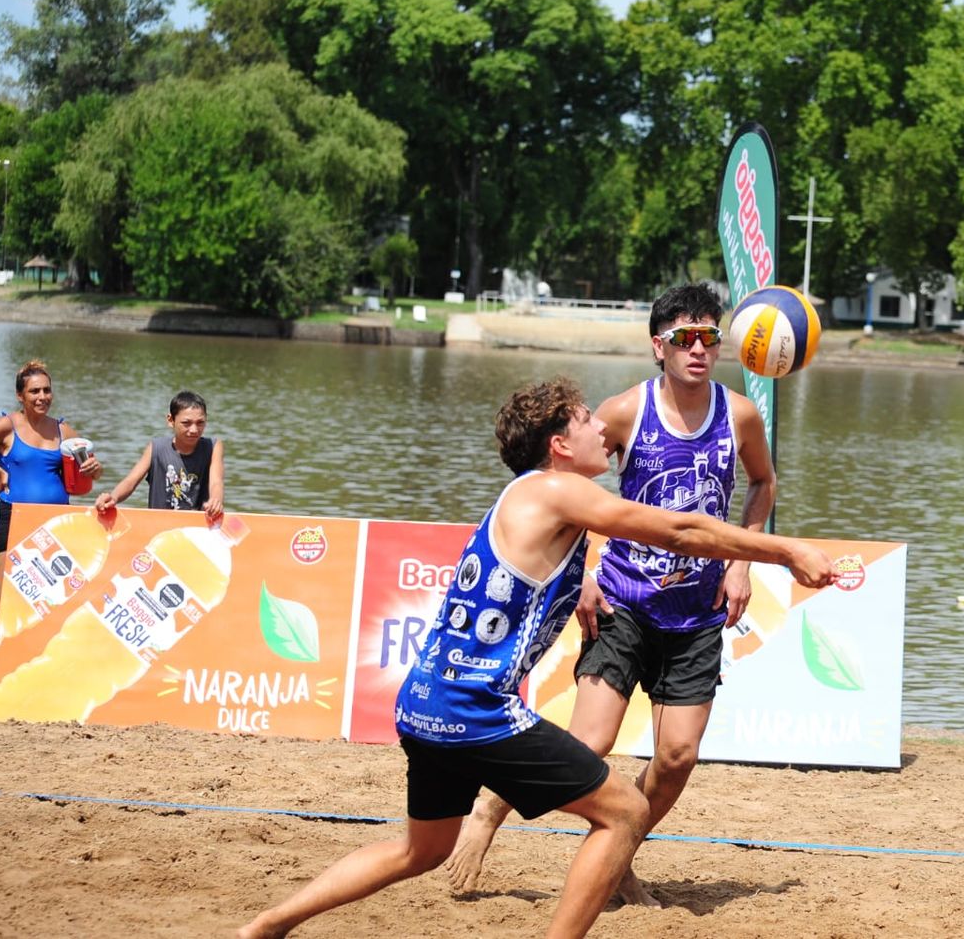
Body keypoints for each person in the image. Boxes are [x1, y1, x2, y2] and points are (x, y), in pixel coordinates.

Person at [237, 378, 833, 939]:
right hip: (476, 707)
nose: (600, 429)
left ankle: (266, 925)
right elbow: (679, 531)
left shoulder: (526, 496)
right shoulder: (557, 489)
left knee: (419, 851)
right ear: (558, 445)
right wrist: (783, 549)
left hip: (425, 699)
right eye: (583, 421)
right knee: (624, 811)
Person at [448, 283, 774, 907]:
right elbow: (566, 479)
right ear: (660, 346)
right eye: (686, 337)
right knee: (589, 743)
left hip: (697, 613)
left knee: (677, 757)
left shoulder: (740, 415)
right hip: (623, 601)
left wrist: (740, 560)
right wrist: (588, 572)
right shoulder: (626, 411)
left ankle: (619, 854)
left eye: (711, 335)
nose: (700, 347)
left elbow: (763, 483)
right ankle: (491, 809)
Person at [0, 359, 104, 686]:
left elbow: (84, 479)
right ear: (21, 395)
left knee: (53, 602)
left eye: (47, 390)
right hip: (14, 520)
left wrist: (94, 470)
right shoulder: (7, 426)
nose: (42, 396)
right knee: (3, 601)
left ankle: (38, 672)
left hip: (56, 526)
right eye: (35, 391)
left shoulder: (64, 431)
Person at [94, 390, 224, 519]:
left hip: (198, 527)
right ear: (170, 420)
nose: (194, 430)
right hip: (160, 525)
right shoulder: (156, 448)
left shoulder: (212, 447)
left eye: (200, 423)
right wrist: (114, 497)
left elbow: (216, 482)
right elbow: (131, 481)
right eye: (186, 423)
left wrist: (215, 500)